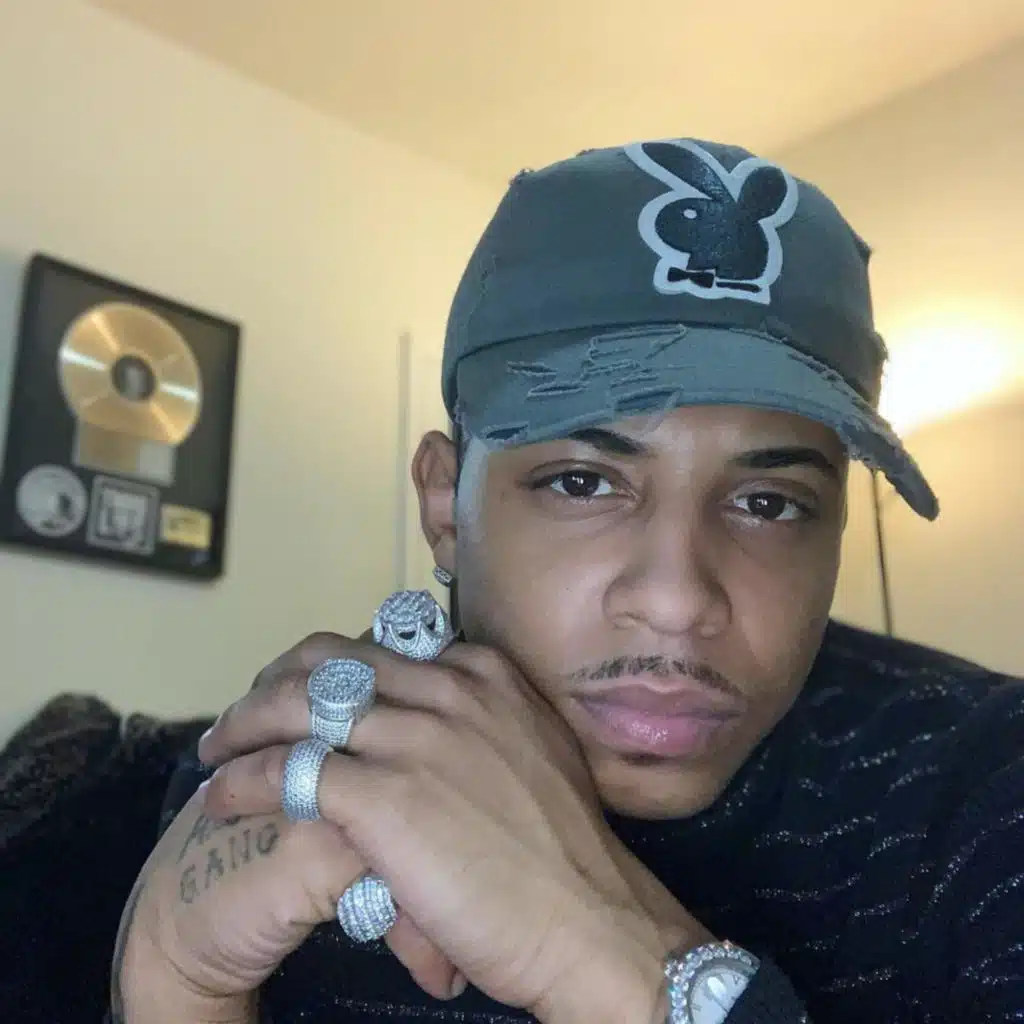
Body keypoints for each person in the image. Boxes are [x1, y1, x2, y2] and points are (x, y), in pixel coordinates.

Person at [110, 137, 1024, 1024]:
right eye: (582, 483)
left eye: (769, 503)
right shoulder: (266, 794)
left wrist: (625, 966)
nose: (677, 600)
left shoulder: (986, 786)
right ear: (444, 507)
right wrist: (172, 987)